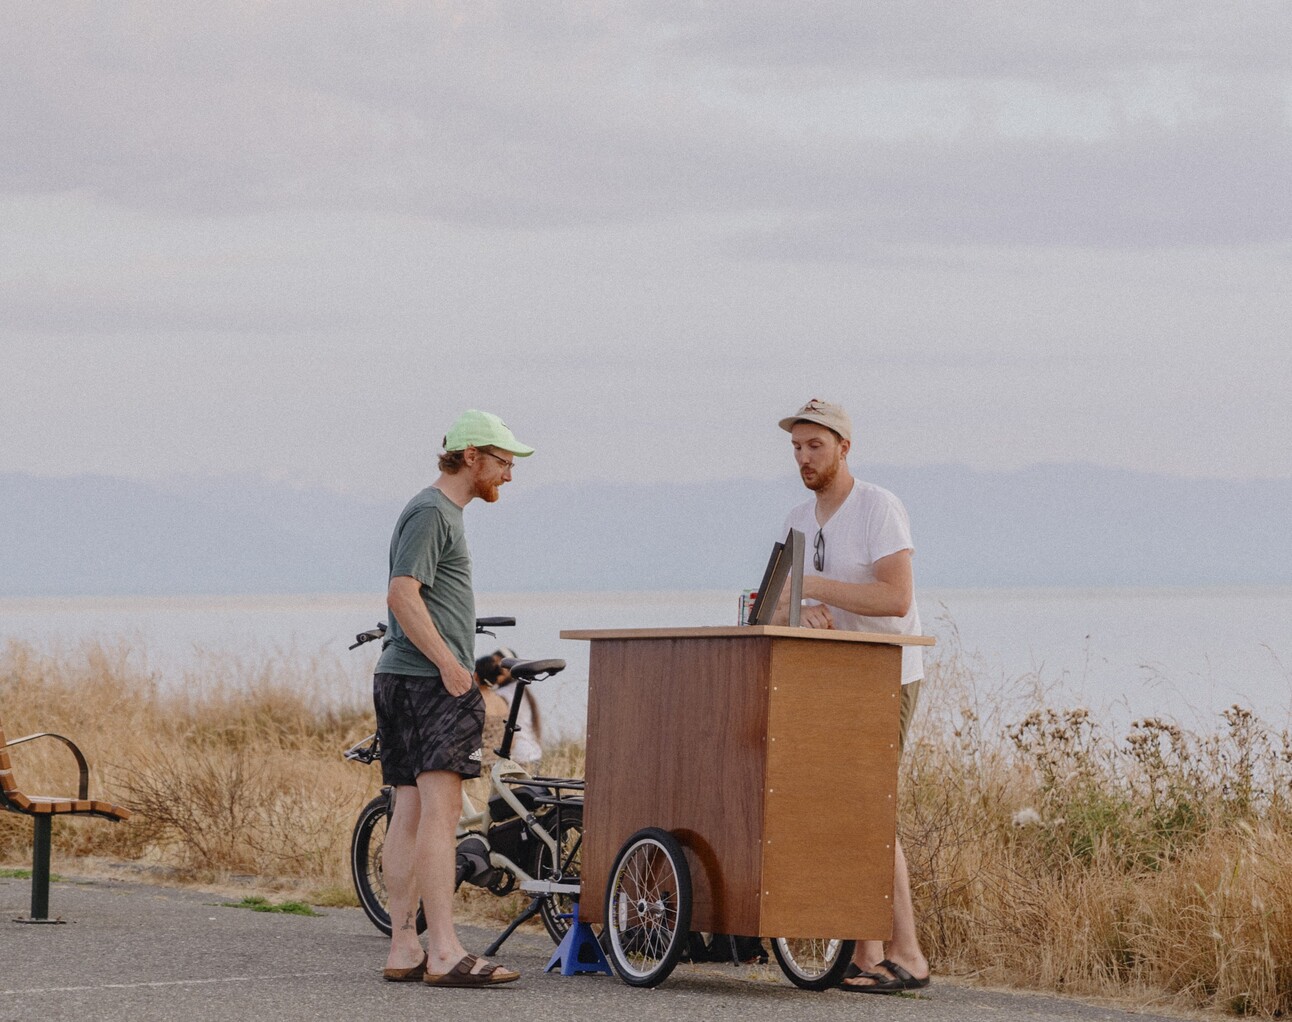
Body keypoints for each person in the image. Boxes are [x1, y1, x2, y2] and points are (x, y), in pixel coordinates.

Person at [773, 397, 931, 994]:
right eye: (796, 447)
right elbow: (780, 597)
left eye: (816, 446)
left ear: (844, 447)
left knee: (870, 812)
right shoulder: (795, 516)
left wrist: (815, 586)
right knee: (843, 813)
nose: (804, 457)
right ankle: (867, 956)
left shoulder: (879, 507)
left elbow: (895, 598)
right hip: (827, 679)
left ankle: (909, 955)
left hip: (884, 675)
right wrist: (804, 609)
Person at [373, 408, 533, 987]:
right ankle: (444, 952)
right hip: (429, 682)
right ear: (471, 457)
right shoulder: (433, 511)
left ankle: (405, 949)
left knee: (411, 811)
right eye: (503, 462)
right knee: (437, 817)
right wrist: (451, 665)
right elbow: (401, 594)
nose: (508, 475)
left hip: (405, 679)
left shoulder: (437, 511)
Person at [475, 648, 544, 770]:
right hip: (533, 753)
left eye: (499, 666)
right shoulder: (519, 690)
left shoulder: (502, 694)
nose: (496, 669)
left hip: (518, 755)